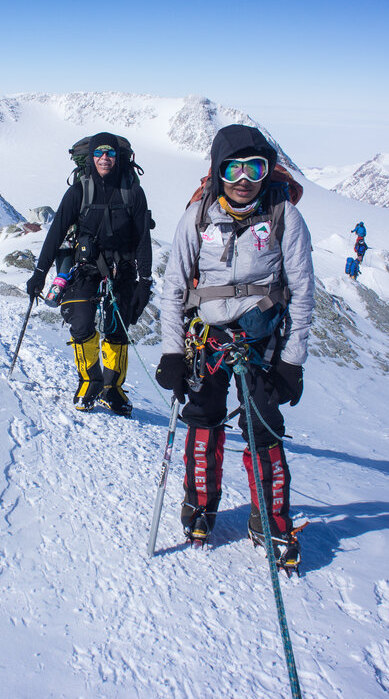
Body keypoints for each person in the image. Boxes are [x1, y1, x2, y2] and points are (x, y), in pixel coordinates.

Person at [154, 124, 315, 569]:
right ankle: (199, 505)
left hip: (261, 345)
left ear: (267, 172)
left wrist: (292, 361)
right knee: (203, 417)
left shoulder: (285, 216)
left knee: (264, 427)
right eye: (233, 168)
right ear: (218, 171)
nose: (244, 178)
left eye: (255, 168)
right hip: (208, 342)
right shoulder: (198, 216)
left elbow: (302, 291)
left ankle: (269, 518)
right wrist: (171, 351)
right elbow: (173, 288)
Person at [26, 132, 153, 415]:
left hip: (122, 269)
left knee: (117, 329)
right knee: (81, 322)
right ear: (91, 157)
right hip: (85, 267)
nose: (105, 158)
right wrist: (39, 273)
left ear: (118, 157)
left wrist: (144, 283)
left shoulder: (133, 191)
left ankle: (113, 387)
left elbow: (143, 239)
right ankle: (90, 380)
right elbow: (56, 232)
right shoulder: (79, 190)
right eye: (99, 153)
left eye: (109, 153)